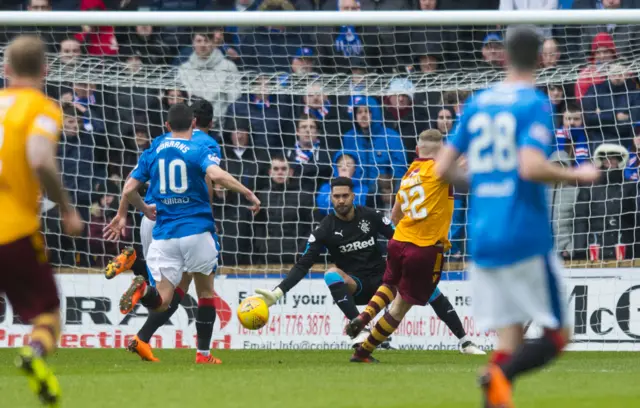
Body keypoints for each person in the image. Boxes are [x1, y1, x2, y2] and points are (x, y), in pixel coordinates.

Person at [434, 26, 599, 407]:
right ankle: (497, 376)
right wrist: (577, 173)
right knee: (559, 335)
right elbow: (530, 166)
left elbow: (443, 169)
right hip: (524, 233)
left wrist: (486, 180)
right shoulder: (534, 103)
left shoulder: (478, 101)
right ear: (541, 58)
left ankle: (497, 389)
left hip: (483, 235)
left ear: (504, 55)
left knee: (509, 340)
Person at [253, 174, 484, 355]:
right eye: (336, 196)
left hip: (386, 281)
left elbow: (397, 237)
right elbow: (303, 264)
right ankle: (360, 332)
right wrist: (278, 292)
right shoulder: (324, 228)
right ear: (331, 198)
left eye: (345, 195)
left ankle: (465, 342)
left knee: (428, 286)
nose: (341, 200)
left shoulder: (370, 216)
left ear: (353, 195)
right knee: (331, 274)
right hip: (358, 286)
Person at [117, 103, 260, 364]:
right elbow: (216, 175)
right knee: (205, 292)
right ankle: (203, 354)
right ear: (193, 125)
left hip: (164, 233)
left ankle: (143, 292)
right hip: (196, 230)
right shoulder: (198, 148)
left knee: (162, 299)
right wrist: (247, 193)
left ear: (167, 126)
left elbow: (128, 188)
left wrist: (144, 208)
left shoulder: (155, 149)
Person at [103, 99, 223, 362]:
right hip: (185, 220)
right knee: (196, 285)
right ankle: (202, 352)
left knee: (173, 285)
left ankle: (142, 336)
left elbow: (130, 182)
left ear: (170, 124)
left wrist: (122, 213)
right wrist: (208, 218)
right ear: (207, 123)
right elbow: (208, 181)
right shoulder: (205, 145)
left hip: (152, 215)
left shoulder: (160, 142)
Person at [0, 35, 84, 406]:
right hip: (13, 231)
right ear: (46, 70)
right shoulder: (43, 108)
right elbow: (38, 158)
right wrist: (66, 207)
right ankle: (34, 353)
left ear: (6, 70)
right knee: (49, 313)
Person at [342, 129, 456, 363]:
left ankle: (365, 316)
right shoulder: (440, 170)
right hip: (424, 247)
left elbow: (395, 215)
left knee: (390, 283)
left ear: (417, 150)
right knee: (400, 307)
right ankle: (363, 351)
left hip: (398, 241)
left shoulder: (409, 174)